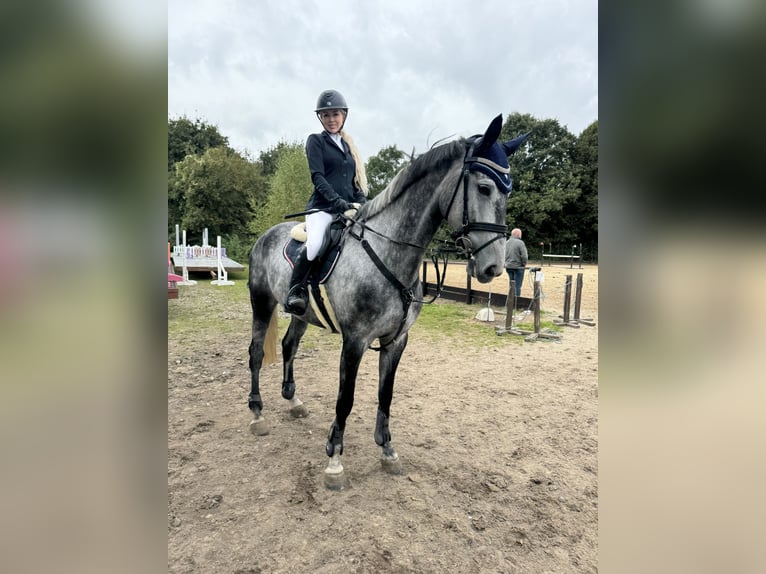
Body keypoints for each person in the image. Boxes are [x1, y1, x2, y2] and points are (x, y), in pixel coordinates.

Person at [284, 89, 368, 315]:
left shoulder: (349, 147)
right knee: (314, 243)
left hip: (348, 210)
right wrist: (338, 202)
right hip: (322, 208)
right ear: (320, 118)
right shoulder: (315, 142)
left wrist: (361, 200)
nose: (332, 119)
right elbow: (318, 177)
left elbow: (355, 180)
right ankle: (296, 291)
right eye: (326, 115)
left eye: (336, 114)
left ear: (344, 116)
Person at [504, 228, 528, 297]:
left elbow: (503, 254)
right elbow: (524, 256)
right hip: (518, 267)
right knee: (517, 285)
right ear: (518, 234)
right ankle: (516, 303)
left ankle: (510, 301)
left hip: (508, 266)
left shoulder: (506, 242)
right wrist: (524, 264)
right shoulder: (520, 243)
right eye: (520, 234)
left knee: (511, 285)